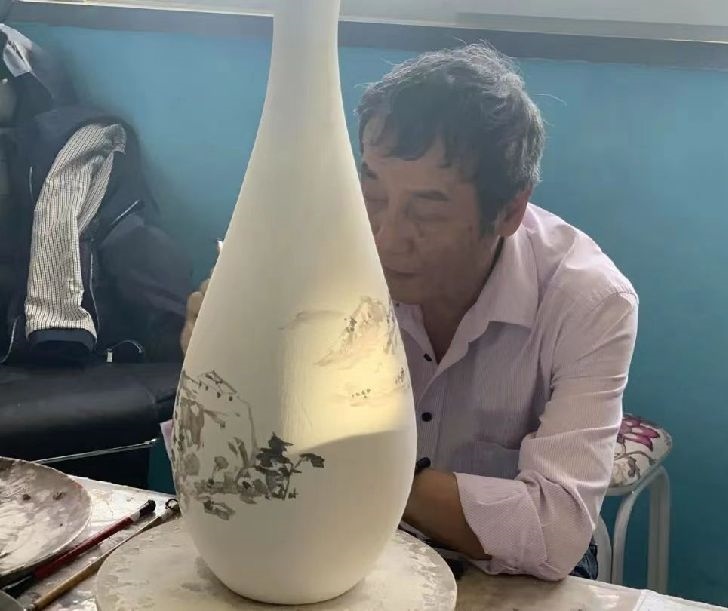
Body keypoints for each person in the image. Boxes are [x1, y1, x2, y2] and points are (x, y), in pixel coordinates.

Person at [180, 45, 638, 581]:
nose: (386, 236)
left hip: (507, 569)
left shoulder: (588, 301)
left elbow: (554, 530)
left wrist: (363, 468)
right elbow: (240, 443)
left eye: (428, 208)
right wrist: (221, 354)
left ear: (510, 210)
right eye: (372, 192)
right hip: (345, 541)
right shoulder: (325, 247)